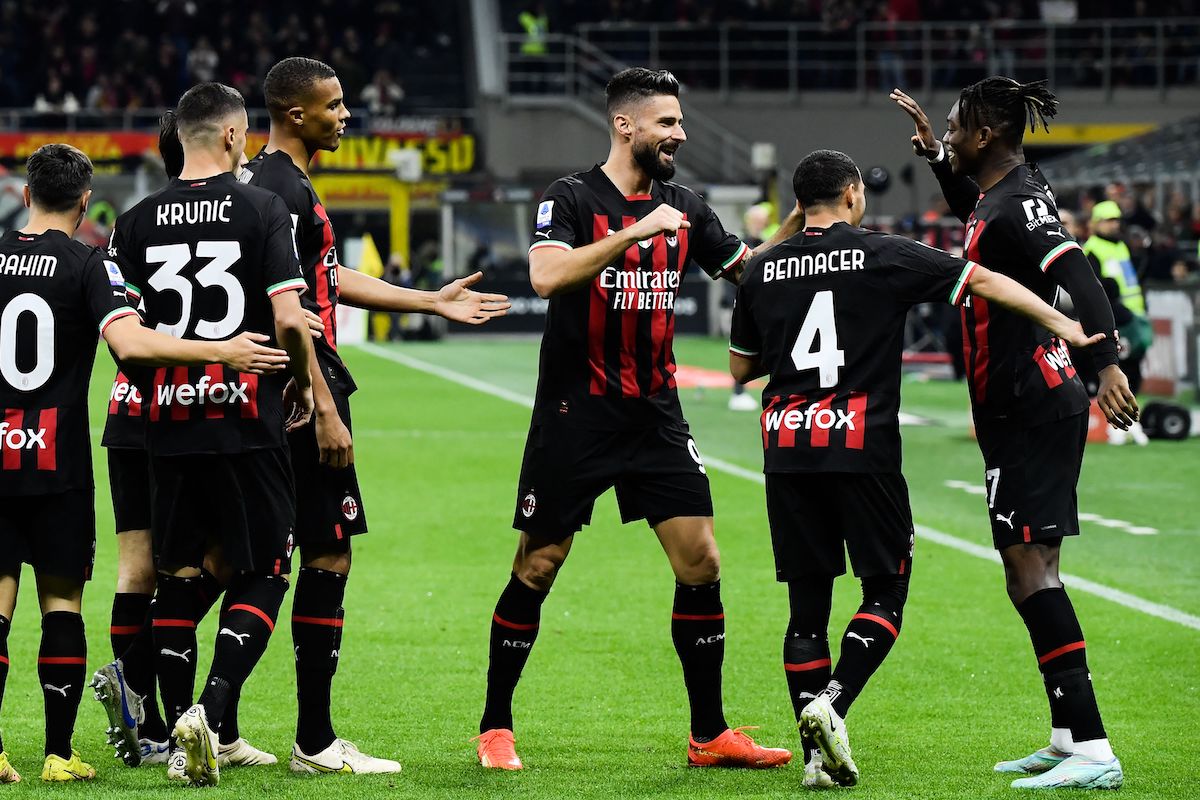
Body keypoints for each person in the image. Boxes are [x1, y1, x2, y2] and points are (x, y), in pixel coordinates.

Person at [729, 149, 1108, 788]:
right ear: (853, 194)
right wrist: (1062, 323)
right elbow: (981, 279)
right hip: (861, 448)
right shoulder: (884, 253)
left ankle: (817, 761)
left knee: (805, 608)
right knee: (884, 592)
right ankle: (834, 701)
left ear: (797, 204)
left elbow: (741, 369)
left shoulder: (762, 272)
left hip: (786, 448)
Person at [474, 67, 804, 772]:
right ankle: (495, 725)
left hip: (656, 413)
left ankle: (709, 734)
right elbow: (546, 277)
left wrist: (801, 233)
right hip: (576, 413)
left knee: (702, 560)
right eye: (668, 122)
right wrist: (633, 233)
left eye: (680, 122)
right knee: (539, 564)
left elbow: (747, 270)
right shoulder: (569, 197)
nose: (680, 133)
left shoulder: (684, 202)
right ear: (626, 125)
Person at [240, 56, 509, 775]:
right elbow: (293, 310)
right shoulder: (281, 190)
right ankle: (315, 742)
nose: (346, 115)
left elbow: (326, 279)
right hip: (306, 390)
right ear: (296, 114)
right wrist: (324, 406)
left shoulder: (282, 185)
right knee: (323, 553)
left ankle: (205, 719)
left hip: (285, 391)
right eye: (334, 105)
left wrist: (428, 300)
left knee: (240, 561)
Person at [0, 142, 290, 783]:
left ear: (24, 195)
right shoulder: (88, 262)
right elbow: (128, 343)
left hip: (46, 439)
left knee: (30, 595)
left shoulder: (36, 251)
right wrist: (223, 353)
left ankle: (23, 745)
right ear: (84, 202)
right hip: (80, 447)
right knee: (72, 598)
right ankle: (73, 743)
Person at [891, 79, 1138, 790]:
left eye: (956, 127)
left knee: (1033, 573)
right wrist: (939, 157)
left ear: (987, 135)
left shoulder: (1015, 203)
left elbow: (1075, 269)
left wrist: (1106, 364)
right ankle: (1067, 737)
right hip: (1021, 404)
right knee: (1026, 572)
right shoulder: (1007, 195)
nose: (949, 132)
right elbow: (981, 219)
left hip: (1032, 401)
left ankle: (1093, 748)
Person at [105, 81, 317, 787]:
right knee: (267, 567)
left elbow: (128, 346)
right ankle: (214, 711)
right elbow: (289, 315)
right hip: (245, 418)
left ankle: (169, 731)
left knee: (182, 574)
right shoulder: (264, 208)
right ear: (232, 136)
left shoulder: (132, 223)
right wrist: (304, 382)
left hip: (168, 423)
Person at [1083, 201, 1149, 445]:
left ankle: (1130, 420)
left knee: (1135, 370)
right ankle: (1116, 424)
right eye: (1109, 220)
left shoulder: (1121, 246)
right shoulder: (1091, 250)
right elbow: (1097, 292)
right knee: (1119, 370)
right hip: (1116, 320)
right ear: (1096, 222)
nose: (1114, 224)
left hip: (1134, 316)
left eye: (1116, 220)